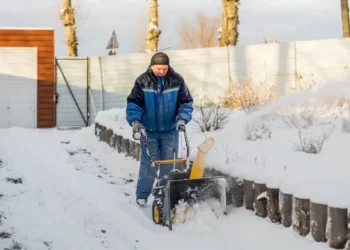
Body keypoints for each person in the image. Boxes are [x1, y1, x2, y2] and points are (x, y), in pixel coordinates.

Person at [125, 52, 194, 207]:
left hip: (170, 130)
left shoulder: (177, 80)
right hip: (148, 131)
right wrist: (135, 121)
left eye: (164, 68)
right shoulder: (142, 81)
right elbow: (134, 104)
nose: (162, 72)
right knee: (150, 163)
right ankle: (142, 194)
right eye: (158, 69)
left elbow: (186, 102)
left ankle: (164, 193)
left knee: (168, 164)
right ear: (151, 66)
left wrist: (182, 118)